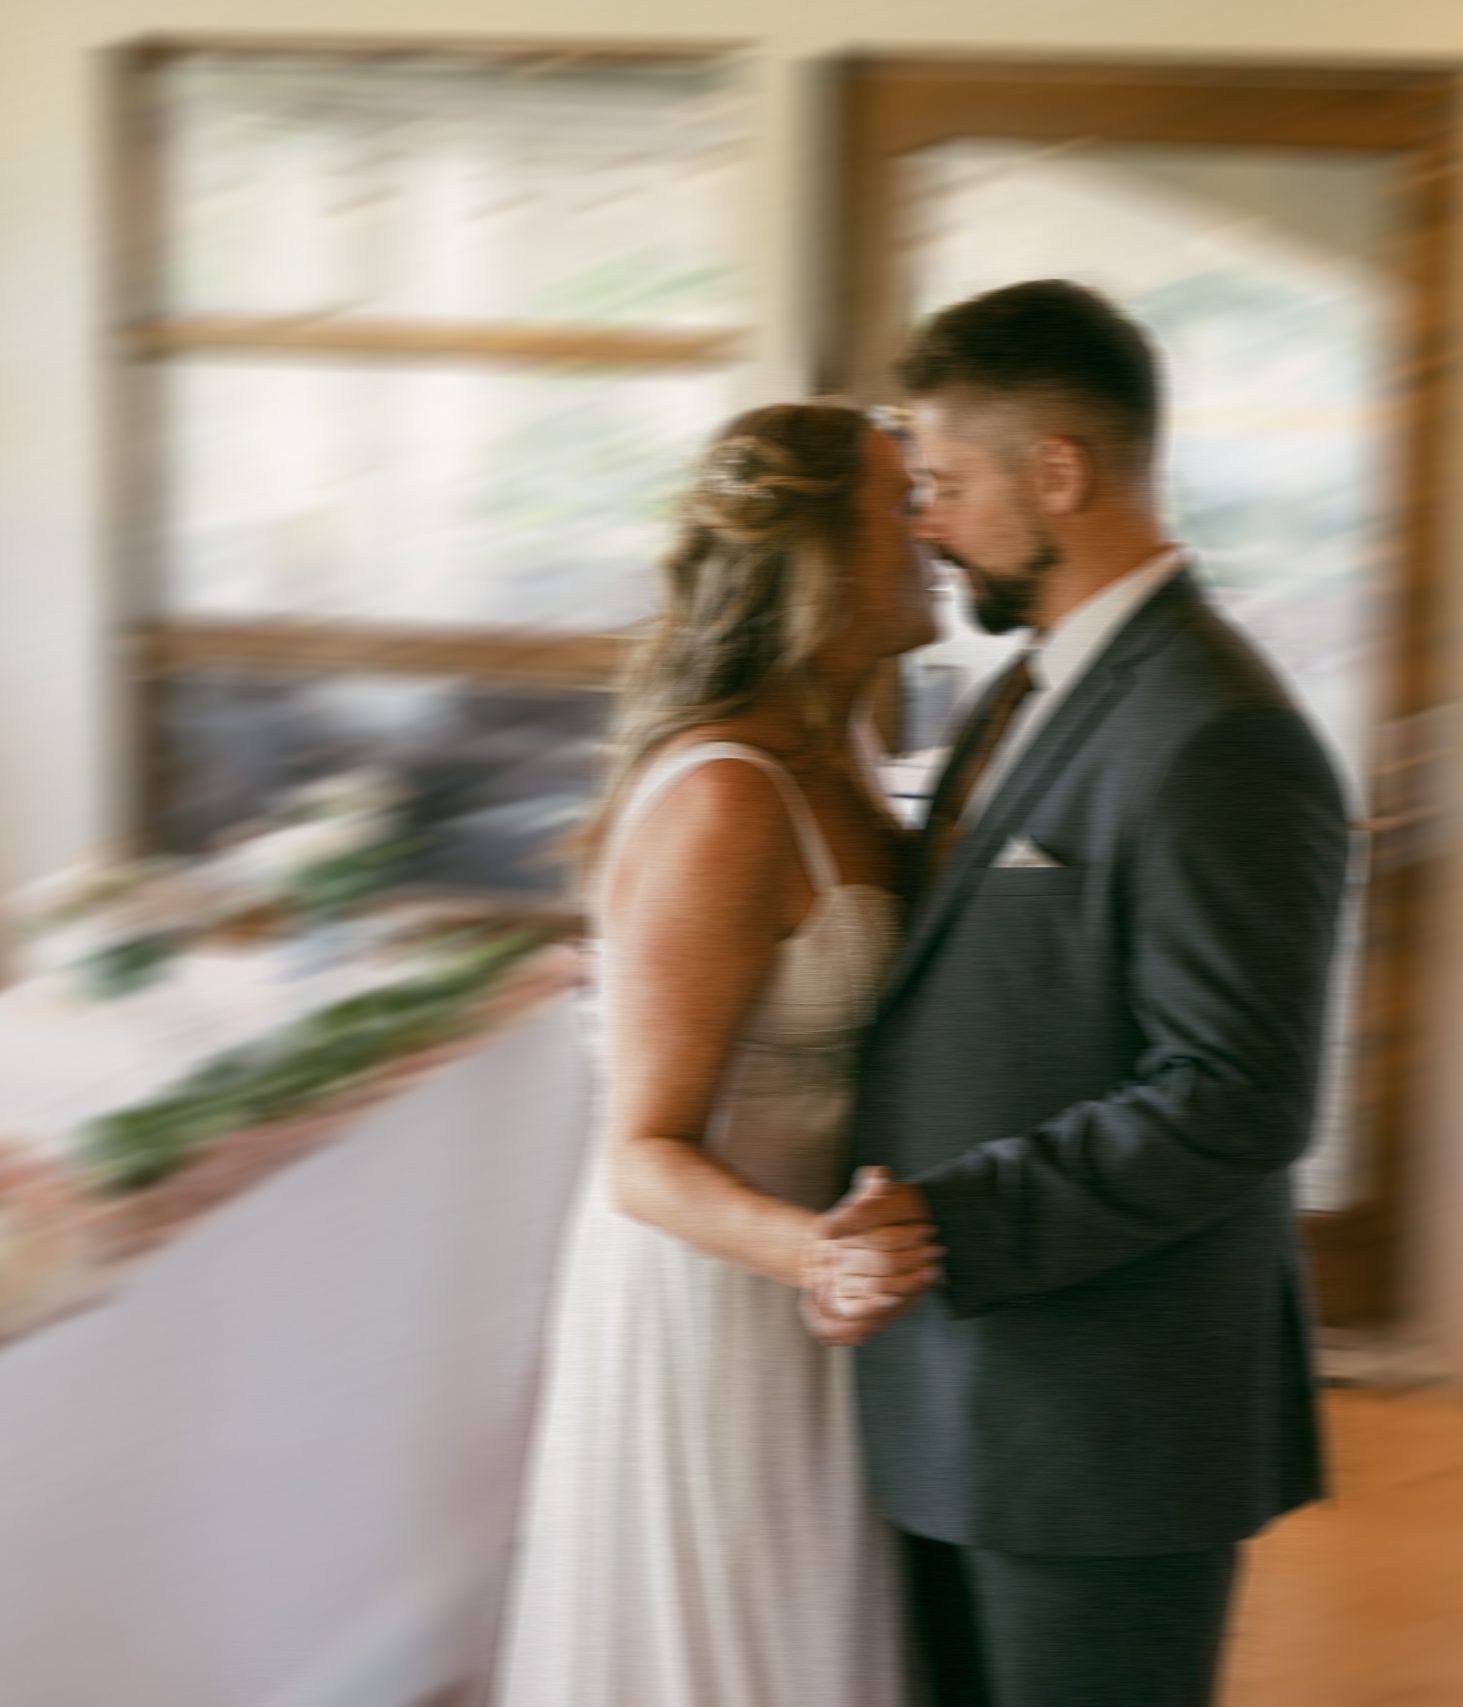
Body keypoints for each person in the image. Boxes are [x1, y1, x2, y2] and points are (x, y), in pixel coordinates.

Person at [802, 280, 1351, 1707]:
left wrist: (952, 1221)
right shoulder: (1023, 686)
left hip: (1106, 1423)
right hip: (971, 1395)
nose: (924, 523)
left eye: (943, 484)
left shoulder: (1222, 734)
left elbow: (1238, 1095)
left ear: (1058, 473)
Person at [494, 402, 944, 1706]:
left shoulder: (846, 743)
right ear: (824, 554)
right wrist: (821, 1255)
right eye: (899, 502)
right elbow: (640, 1153)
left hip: (824, 1294)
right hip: (722, 1299)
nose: (928, 526)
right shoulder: (725, 796)